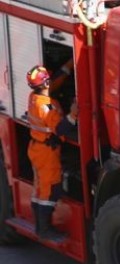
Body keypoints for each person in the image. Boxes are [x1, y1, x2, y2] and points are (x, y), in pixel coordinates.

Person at [26, 65, 69, 241]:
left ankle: (39, 227)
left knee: (40, 188)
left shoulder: (34, 96)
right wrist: (73, 116)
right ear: (45, 82)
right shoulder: (47, 108)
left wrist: (67, 67)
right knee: (50, 190)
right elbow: (61, 128)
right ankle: (44, 229)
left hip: (37, 148)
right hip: (46, 153)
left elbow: (54, 83)